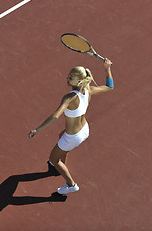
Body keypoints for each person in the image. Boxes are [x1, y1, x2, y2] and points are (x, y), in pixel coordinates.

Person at [28, 58, 114, 194]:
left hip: (73, 137)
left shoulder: (69, 98)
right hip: (84, 130)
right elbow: (110, 87)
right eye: (69, 75)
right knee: (61, 135)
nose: (67, 78)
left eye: (71, 77)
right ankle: (61, 162)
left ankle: (71, 185)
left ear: (79, 81)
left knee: (53, 159)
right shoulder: (89, 90)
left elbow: (55, 116)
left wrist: (37, 129)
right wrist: (107, 68)